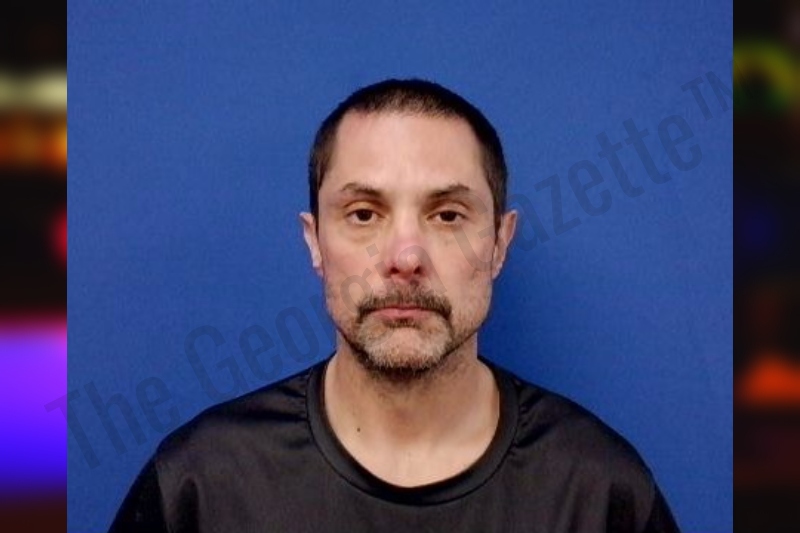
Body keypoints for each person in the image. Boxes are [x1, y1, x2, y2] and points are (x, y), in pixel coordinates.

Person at [109, 79, 681, 532]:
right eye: (363, 214)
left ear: (500, 244)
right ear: (314, 242)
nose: (405, 257)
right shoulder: (201, 487)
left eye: (448, 215)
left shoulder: (602, 493)